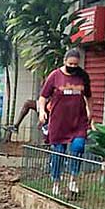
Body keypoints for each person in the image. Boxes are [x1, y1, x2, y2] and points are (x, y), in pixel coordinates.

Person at [38, 48, 93, 197]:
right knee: (58, 152)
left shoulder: (82, 77)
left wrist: (90, 111)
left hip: (78, 120)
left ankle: (73, 180)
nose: (73, 67)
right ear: (64, 61)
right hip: (59, 122)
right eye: (70, 64)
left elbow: (88, 96)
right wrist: (42, 111)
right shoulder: (55, 76)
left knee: (78, 147)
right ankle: (56, 182)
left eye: (76, 64)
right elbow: (43, 96)